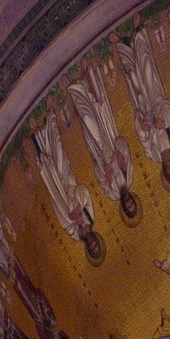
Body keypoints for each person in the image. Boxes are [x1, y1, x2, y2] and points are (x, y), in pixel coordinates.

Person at [68, 61, 140, 222]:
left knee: (88, 120)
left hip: (100, 154)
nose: (129, 202)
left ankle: (75, 90)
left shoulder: (112, 192)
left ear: (123, 206)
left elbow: (97, 172)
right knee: (100, 105)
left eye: (127, 206)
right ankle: (87, 75)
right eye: (132, 203)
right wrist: (121, 154)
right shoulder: (128, 175)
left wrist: (105, 172)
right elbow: (123, 143)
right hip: (110, 139)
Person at [33, 112, 103, 261]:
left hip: (59, 191)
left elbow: (63, 217)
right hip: (69, 182)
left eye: (91, 248)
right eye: (96, 245)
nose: (92, 245)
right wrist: (78, 207)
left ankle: (37, 133)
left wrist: (71, 216)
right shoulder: (90, 217)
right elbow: (83, 190)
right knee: (58, 150)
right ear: (97, 240)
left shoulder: (74, 233)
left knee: (49, 164)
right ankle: (48, 118)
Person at [117, 29, 170, 187]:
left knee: (133, 78)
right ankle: (138, 32)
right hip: (156, 101)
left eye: (169, 173)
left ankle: (121, 43)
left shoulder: (153, 154)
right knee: (147, 70)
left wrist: (142, 126)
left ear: (165, 173)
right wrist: (164, 123)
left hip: (144, 108)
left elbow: (144, 140)